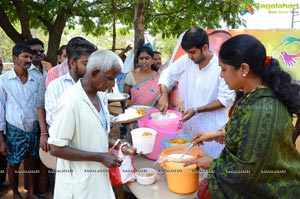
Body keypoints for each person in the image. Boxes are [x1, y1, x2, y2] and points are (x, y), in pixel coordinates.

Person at [187, 34, 300, 199]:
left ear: (244, 69)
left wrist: (212, 163)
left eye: (224, 69)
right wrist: (217, 135)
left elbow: (250, 173)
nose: (221, 75)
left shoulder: (264, 109)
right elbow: (250, 137)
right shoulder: (253, 94)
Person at [47, 50, 135, 199]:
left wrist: (119, 145)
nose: (112, 84)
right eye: (110, 78)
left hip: (97, 180)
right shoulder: (70, 102)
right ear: (95, 73)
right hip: (79, 185)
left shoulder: (100, 95)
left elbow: (94, 133)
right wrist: (100, 157)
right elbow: (55, 148)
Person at [157, 27, 235, 158]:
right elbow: (167, 75)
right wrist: (164, 95)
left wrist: (196, 110)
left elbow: (225, 99)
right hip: (190, 130)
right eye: (187, 52)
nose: (189, 56)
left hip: (212, 132)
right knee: (190, 167)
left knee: (210, 170)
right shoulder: (187, 60)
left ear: (204, 48)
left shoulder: (219, 66)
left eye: (192, 52)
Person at [0, 43, 43, 199]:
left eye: (30, 57)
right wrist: (1, 140)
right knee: (14, 162)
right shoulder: (4, 80)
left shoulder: (37, 78)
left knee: (32, 161)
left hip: (33, 127)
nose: (29, 60)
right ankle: (16, 193)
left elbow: (40, 105)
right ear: (14, 58)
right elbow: (0, 109)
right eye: (25, 56)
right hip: (14, 129)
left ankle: (30, 192)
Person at [45, 37, 97, 126]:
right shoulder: (56, 87)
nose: (91, 68)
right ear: (72, 63)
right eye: (86, 63)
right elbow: (53, 119)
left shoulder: (97, 87)